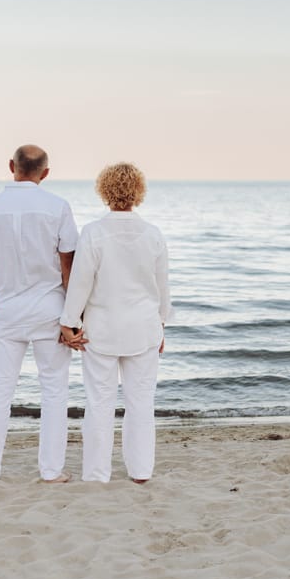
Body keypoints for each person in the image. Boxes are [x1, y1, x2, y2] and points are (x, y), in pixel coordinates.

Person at [0, 144, 79, 483]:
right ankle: (51, 471)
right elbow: (68, 265)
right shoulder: (57, 207)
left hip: (7, 312)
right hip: (50, 308)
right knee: (54, 392)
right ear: (45, 173)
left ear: (11, 166)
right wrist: (72, 317)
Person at [59, 162, 172, 484]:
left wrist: (69, 322)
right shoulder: (153, 234)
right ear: (139, 192)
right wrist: (161, 325)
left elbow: (80, 282)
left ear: (104, 190)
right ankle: (140, 471)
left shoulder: (94, 232)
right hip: (143, 327)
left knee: (99, 404)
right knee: (141, 403)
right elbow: (162, 287)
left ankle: (97, 473)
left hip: (102, 329)